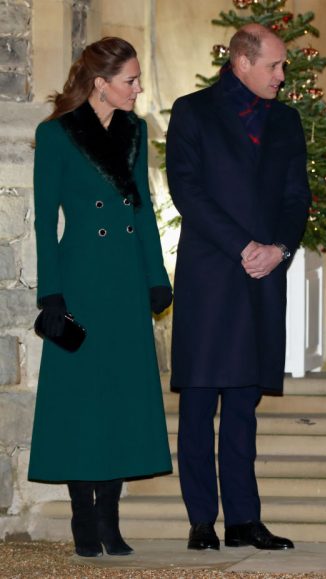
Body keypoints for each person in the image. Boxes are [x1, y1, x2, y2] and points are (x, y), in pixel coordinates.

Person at [165, 23, 310, 551]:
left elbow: (298, 198)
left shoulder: (287, 120)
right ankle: (202, 520)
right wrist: (243, 246)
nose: (281, 74)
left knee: (244, 405)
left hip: (263, 277)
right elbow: (187, 190)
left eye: (283, 65)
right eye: (274, 65)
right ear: (242, 63)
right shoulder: (192, 111)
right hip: (211, 275)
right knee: (200, 404)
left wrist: (279, 249)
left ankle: (245, 520)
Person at [28, 37, 173, 558]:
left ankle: (111, 520)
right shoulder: (57, 135)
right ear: (101, 83)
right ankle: (83, 517)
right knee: (80, 399)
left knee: (121, 397)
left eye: (137, 79)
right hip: (82, 279)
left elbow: (143, 210)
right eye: (130, 80)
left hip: (126, 282)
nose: (138, 88)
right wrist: (51, 294)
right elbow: (45, 222)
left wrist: (156, 275)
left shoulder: (135, 131)